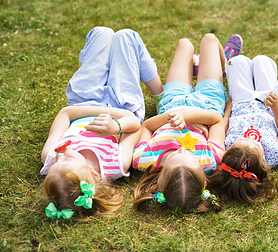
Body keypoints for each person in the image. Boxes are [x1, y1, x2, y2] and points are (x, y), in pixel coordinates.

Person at [41, 27, 163, 220]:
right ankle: (160, 94)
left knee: (101, 33)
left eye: (53, 165)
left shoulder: (49, 156)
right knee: (126, 36)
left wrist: (96, 110)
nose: (59, 156)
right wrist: (116, 127)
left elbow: (65, 113)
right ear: (90, 172)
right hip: (124, 104)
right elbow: (135, 125)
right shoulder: (115, 164)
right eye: (66, 160)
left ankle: (94, 67)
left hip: (83, 99)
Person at [132, 34, 242, 213]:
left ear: (160, 180)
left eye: (174, 154)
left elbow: (145, 126)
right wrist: (189, 116)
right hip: (208, 102)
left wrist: (173, 114)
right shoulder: (211, 159)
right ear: (204, 179)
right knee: (209, 40)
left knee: (184, 44)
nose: (182, 148)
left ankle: (200, 66)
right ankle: (224, 65)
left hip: (171, 102)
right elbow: (216, 120)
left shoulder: (143, 160)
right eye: (189, 155)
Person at [207, 55, 278, 204]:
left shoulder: (224, 152)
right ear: (261, 164)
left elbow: (224, 123)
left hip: (241, 102)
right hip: (269, 104)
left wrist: (229, 106)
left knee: (237, 61)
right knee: (262, 61)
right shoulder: (274, 155)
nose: (250, 137)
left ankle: (231, 62)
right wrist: (276, 105)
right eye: (255, 144)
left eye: (241, 140)